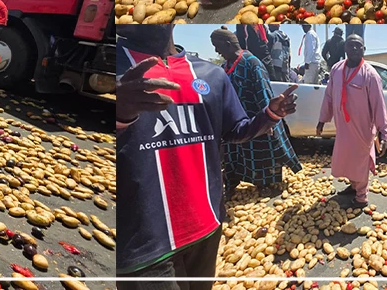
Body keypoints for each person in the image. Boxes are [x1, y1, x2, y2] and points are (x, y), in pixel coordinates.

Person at [116, 24, 297, 289]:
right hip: (143, 244)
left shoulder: (210, 74)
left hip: (206, 228)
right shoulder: (114, 66)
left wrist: (270, 115)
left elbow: (235, 130)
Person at [212, 27, 303, 194]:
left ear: (227, 44)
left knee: (261, 154)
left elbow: (264, 91)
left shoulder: (252, 62)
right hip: (236, 120)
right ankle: (231, 183)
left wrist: (268, 120)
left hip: (255, 118)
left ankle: (267, 186)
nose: (216, 51)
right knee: (235, 152)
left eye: (217, 47)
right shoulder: (226, 66)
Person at [315, 34, 387, 208]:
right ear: (345, 49)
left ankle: (361, 197)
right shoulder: (336, 69)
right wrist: (322, 120)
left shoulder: (370, 74)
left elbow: (379, 104)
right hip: (343, 128)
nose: (355, 49)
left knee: (361, 160)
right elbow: (329, 96)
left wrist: (383, 133)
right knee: (346, 159)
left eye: (358, 46)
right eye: (351, 45)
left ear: (364, 50)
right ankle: (354, 186)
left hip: (362, 128)